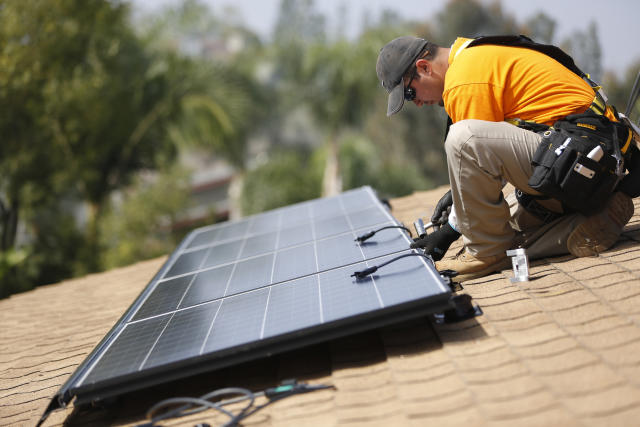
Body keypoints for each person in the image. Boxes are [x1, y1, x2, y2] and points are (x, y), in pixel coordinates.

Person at [376, 35, 639, 281]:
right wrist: (460, 197)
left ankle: (485, 252)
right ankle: (584, 226)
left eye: (410, 94)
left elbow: (473, 148)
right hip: (591, 163)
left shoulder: (463, 81)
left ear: (424, 67)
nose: (417, 103)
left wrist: (450, 231)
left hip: (583, 163)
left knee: (463, 138)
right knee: (505, 219)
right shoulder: (473, 53)